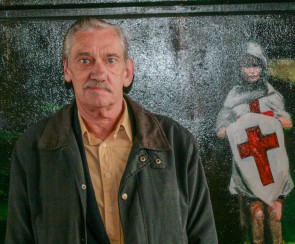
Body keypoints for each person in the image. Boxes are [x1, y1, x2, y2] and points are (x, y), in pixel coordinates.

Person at [5, 18, 218, 244]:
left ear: (127, 72)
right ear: (67, 69)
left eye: (110, 60)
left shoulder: (176, 144)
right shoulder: (33, 149)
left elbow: (203, 235)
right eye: (85, 60)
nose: (98, 72)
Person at [216, 41, 293, 244]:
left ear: (262, 67)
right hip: (248, 162)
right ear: (240, 69)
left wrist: (270, 119)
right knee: (257, 216)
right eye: (247, 66)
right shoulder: (233, 97)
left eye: (256, 65)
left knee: (275, 214)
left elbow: (286, 122)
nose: (252, 71)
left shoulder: (271, 94)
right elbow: (221, 131)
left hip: (272, 163)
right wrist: (237, 125)